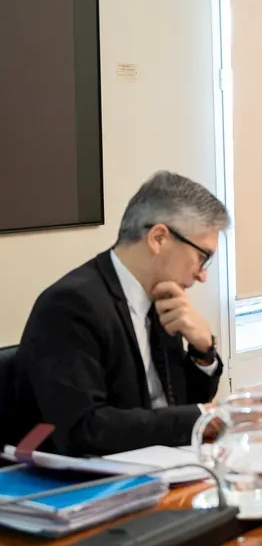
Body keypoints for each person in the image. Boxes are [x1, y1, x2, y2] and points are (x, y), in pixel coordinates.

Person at [4, 172, 230, 456]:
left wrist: (202, 350)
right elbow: (84, 429)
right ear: (158, 238)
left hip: (159, 460)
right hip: (81, 474)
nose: (202, 275)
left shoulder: (164, 298)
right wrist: (199, 418)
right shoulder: (71, 305)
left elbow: (179, 406)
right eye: (202, 257)